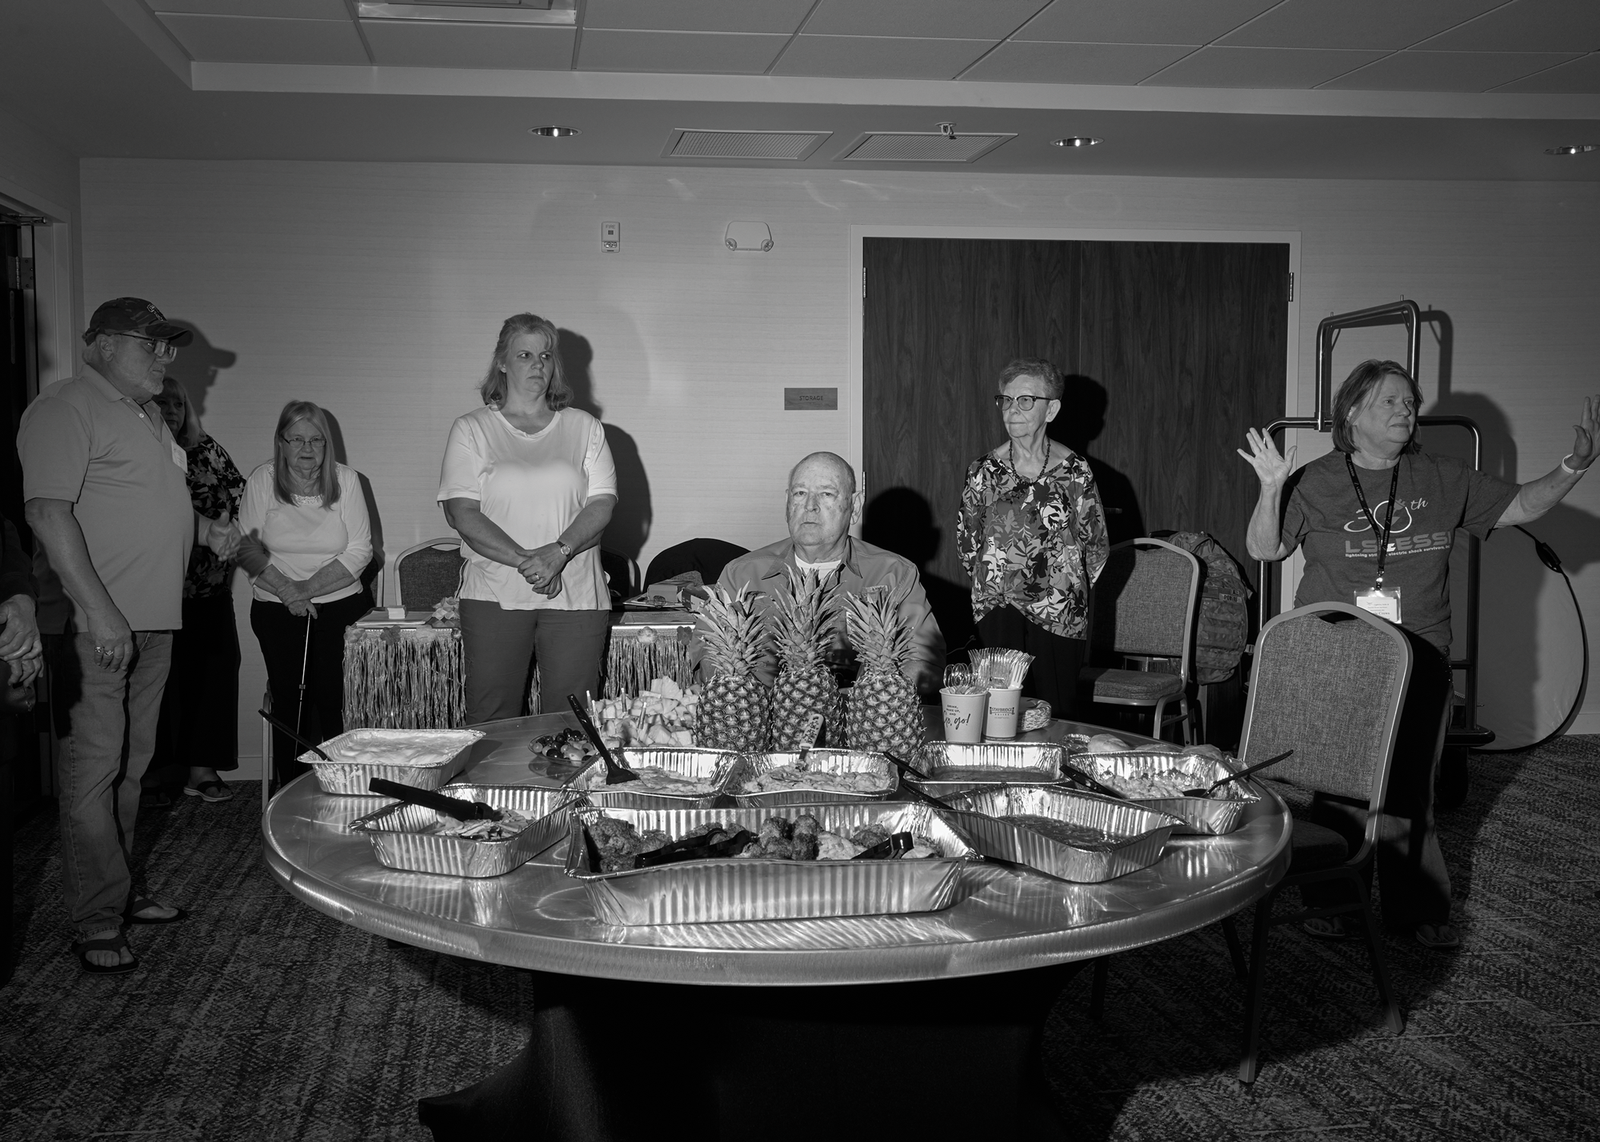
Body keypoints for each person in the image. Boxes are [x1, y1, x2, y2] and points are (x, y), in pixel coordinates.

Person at [1240, 358, 1600, 952]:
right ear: (1352, 413)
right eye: (1391, 401)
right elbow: (1266, 547)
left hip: (1419, 652)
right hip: (1337, 649)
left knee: (1410, 785)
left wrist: (1574, 465)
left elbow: (1521, 507)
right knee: (1337, 785)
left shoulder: (1442, 476)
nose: (1406, 411)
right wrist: (1273, 487)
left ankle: (1418, 908)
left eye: (1411, 403)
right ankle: (1336, 901)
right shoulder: (1316, 479)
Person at [20, 297, 236, 973]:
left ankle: (118, 892)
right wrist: (102, 613)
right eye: (153, 346)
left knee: (132, 769)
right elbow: (48, 514)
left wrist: (206, 532)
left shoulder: (148, 418)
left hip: (154, 621)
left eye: (170, 347)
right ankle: (95, 920)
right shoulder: (64, 407)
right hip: (98, 626)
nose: (167, 360)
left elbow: (154, 503)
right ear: (103, 345)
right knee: (92, 772)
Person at [439, 313, 617, 722]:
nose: (537, 364)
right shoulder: (471, 428)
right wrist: (530, 562)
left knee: (572, 721)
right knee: (492, 719)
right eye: (525, 354)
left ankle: (569, 790)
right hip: (493, 595)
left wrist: (558, 554)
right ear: (502, 362)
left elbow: (601, 505)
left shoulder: (584, 427)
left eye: (546, 355)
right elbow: (460, 513)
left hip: (576, 596)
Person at [707, 451, 944, 698]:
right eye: (800, 493)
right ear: (788, 503)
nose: (810, 506)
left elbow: (926, 663)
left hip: (862, 721)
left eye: (826, 494)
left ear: (855, 506)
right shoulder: (741, 574)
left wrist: (857, 697)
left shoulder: (894, 574)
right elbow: (707, 659)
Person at [957, 358, 1109, 720]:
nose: (1012, 410)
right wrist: (999, 581)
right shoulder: (983, 471)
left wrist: (1063, 589)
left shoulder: (1075, 471)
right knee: (997, 714)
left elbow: (1096, 544)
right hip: (997, 607)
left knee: (1059, 713)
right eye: (1006, 400)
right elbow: (967, 542)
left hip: (1059, 610)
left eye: (1025, 401)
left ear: (1051, 409)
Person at [237, 401, 372, 786]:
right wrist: (288, 594)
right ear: (281, 442)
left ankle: (344, 787)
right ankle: (291, 789)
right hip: (276, 611)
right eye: (296, 439)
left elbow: (360, 549)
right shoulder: (262, 480)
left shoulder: (347, 479)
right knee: (289, 704)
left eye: (316, 440)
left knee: (337, 702)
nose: (307, 449)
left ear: (327, 444)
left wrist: (305, 590)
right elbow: (248, 550)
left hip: (342, 608)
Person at [151, 377, 246, 803]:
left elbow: (244, 500)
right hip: (150, 591)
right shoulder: (140, 452)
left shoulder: (207, 450)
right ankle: (151, 773)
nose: (171, 410)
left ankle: (201, 770)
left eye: (178, 403)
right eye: (162, 402)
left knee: (212, 675)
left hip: (207, 590)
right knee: (155, 684)